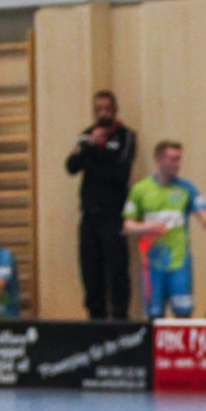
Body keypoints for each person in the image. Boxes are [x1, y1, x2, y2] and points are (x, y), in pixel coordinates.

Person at [122, 140, 206, 318]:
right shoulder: (140, 190)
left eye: (179, 159)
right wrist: (147, 227)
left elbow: (203, 211)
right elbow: (128, 226)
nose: (177, 164)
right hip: (152, 263)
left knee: (183, 312)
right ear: (159, 159)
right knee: (154, 315)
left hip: (179, 261)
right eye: (172, 159)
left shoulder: (186, 189)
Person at [65, 90, 137, 320]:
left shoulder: (126, 137)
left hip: (113, 215)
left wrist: (96, 154)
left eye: (107, 109)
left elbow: (119, 173)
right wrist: (89, 147)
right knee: (90, 270)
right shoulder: (87, 136)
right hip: (89, 215)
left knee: (116, 269)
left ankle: (120, 317)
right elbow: (71, 166)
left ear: (115, 110)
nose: (102, 113)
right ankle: (94, 317)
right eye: (98, 109)